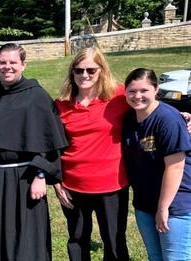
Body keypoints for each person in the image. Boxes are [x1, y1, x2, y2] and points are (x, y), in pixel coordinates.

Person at [0, 43, 68, 261]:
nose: (7, 67)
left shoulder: (37, 97)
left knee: (23, 238)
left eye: (13, 62)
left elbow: (49, 142)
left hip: (23, 180)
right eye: (2, 62)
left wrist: (41, 175)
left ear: (23, 65)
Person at [54, 47, 130, 261]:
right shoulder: (61, 105)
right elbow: (52, 146)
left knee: (114, 240)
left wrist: (181, 116)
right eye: (79, 70)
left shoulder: (119, 96)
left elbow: (149, 106)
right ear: (72, 73)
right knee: (77, 240)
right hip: (73, 185)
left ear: (102, 71)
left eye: (91, 70)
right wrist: (57, 183)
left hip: (111, 185)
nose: (84, 75)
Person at [122, 68, 191, 261]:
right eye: (132, 91)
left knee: (175, 258)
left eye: (144, 90)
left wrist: (163, 207)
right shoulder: (129, 118)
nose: (137, 96)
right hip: (144, 204)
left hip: (175, 205)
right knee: (155, 257)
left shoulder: (167, 119)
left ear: (156, 90)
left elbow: (176, 166)